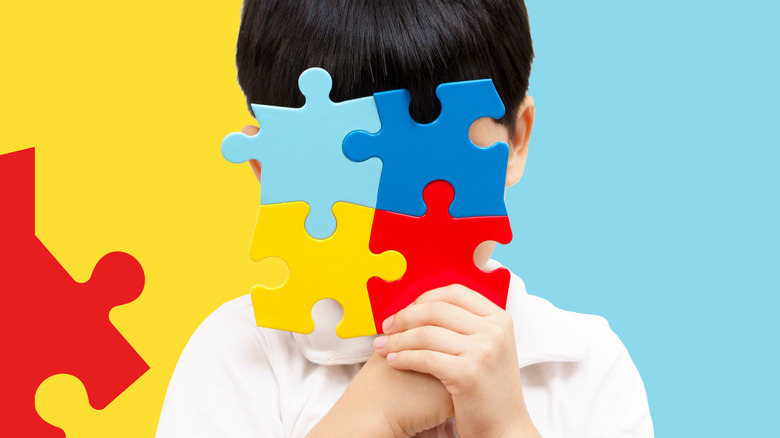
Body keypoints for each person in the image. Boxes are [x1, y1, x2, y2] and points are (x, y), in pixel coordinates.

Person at [156, 1, 654, 437]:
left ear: (515, 143)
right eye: (352, 174)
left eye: (435, 161)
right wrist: (370, 418)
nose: (399, 211)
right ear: (275, 172)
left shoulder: (584, 367)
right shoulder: (237, 355)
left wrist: (506, 429)